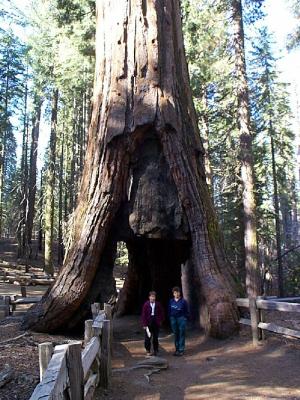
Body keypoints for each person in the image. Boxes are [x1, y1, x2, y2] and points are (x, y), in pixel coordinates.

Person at [141, 291, 164, 356]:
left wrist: (160, 321)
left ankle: (156, 350)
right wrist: (144, 324)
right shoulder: (146, 304)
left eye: (154, 297)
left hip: (156, 322)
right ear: (149, 297)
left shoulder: (158, 304)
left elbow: (161, 313)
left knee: (155, 337)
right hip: (148, 322)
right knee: (148, 337)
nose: (152, 298)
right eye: (151, 297)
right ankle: (148, 350)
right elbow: (143, 315)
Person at [169, 286, 189, 356]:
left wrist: (185, 318)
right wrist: (171, 317)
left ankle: (181, 350)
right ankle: (177, 349)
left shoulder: (183, 301)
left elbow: (186, 311)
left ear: (180, 293)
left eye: (178, 293)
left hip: (181, 318)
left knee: (181, 333)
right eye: (175, 293)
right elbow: (169, 310)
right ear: (173, 294)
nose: (176, 294)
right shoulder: (171, 301)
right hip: (173, 319)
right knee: (176, 333)